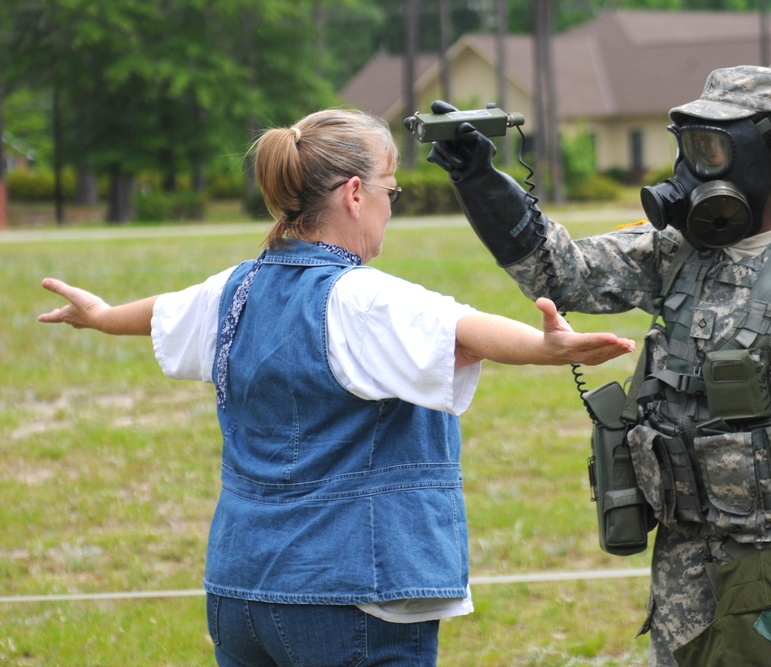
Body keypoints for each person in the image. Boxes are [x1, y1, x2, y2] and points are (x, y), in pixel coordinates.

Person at [38, 107, 637, 667]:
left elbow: (161, 313)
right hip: (351, 596)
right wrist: (544, 347)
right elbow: (464, 330)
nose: (390, 207)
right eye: (391, 191)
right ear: (355, 194)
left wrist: (101, 314)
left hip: (240, 590)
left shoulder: (234, 290)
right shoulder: (362, 297)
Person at [418, 66, 771, 666]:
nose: (692, 169)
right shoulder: (678, 251)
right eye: (686, 147)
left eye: (711, 148)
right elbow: (561, 270)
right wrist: (479, 179)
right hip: (681, 570)